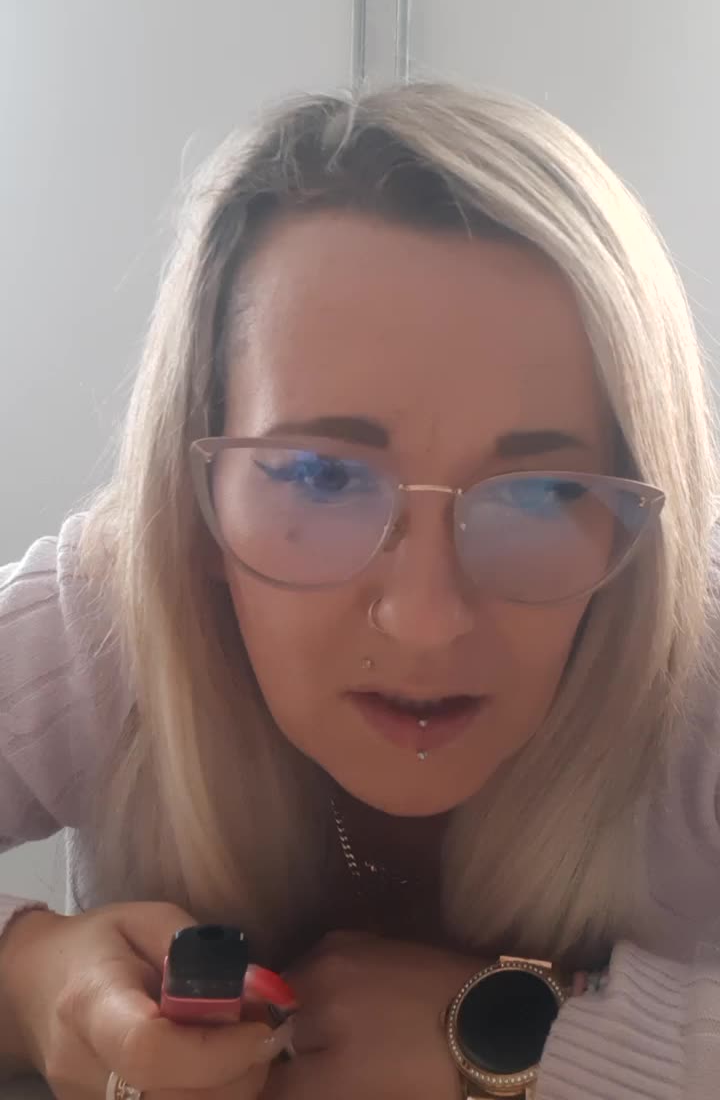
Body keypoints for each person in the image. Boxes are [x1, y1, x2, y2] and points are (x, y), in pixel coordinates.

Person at [0, 81, 718, 1100]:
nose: (425, 620)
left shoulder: (698, 664)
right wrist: (26, 980)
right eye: (318, 476)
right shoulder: (111, 614)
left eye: (544, 492)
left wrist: (526, 1040)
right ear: (193, 499)